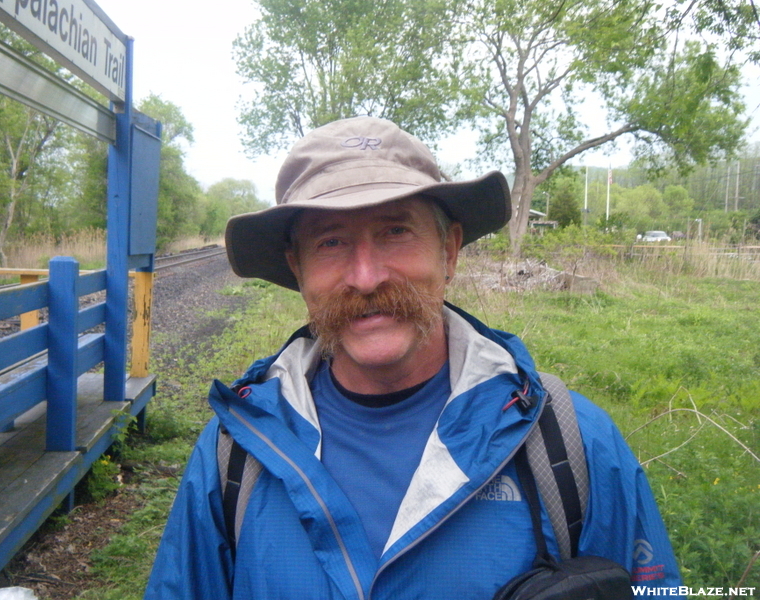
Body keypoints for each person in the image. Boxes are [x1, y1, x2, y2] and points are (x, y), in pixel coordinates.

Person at [144, 116, 681, 599]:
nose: (366, 276)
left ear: (448, 251)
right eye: (330, 242)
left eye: (395, 232)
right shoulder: (236, 456)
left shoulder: (569, 445)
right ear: (298, 268)